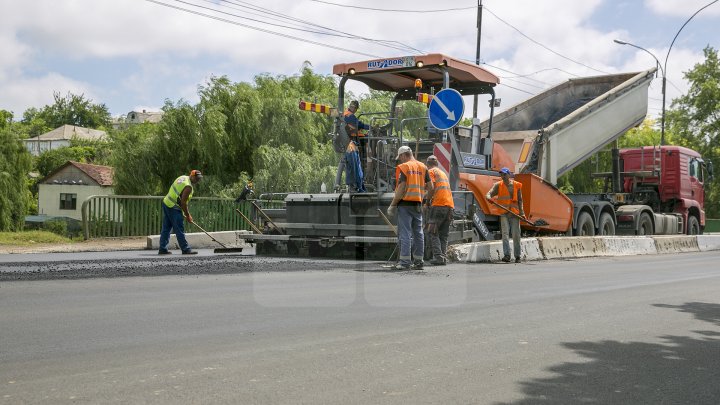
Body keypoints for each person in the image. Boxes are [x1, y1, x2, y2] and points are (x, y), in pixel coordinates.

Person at [387, 146, 433, 270]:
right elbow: (431, 187)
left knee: (405, 233)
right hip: (417, 204)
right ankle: (419, 261)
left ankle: (405, 262)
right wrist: (425, 200)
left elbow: (401, 187)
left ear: (403, 155)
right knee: (418, 233)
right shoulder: (423, 167)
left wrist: (393, 205)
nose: (400, 161)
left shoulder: (405, 167)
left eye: (400, 158)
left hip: (405, 204)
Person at [158, 169, 203, 255]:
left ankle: (162, 249)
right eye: (197, 178)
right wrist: (188, 215)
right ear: (192, 176)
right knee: (179, 228)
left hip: (167, 202)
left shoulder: (183, 177)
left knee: (166, 228)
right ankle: (185, 249)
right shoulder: (188, 186)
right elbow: (183, 203)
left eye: (199, 179)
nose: (198, 180)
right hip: (173, 207)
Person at [485, 167, 524, 263]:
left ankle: (517, 256)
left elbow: (520, 200)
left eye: (504, 174)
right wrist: (488, 197)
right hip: (504, 213)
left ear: (509, 174)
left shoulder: (516, 185)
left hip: (514, 213)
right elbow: (489, 193)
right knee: (505, 235)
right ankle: (507, 255)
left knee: (516, 235)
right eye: (501, 174)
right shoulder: (498, 185)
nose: (502, 176)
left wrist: (522, 213)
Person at [425, 155, 454, 265]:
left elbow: (431, 187)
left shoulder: (431, 172)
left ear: (427, 164)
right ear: (437, 163)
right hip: (449, 206)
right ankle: (443, 257)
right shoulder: (442, 174)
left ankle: (438, 257)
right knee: (443, 234)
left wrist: (427, 202)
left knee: (432, 232)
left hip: (438, 205)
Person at [335, 100, 369, 192]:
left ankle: (357, 186)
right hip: (349, 143)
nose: (354, 110)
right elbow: (359, 125)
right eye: (355, 108)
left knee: (353, 165)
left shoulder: (347, 114)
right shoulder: (349, 115)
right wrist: (370, 127)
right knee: (354, 165)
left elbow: (355, 127)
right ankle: (354, 186)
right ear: (354, 108)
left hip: (349, 142)